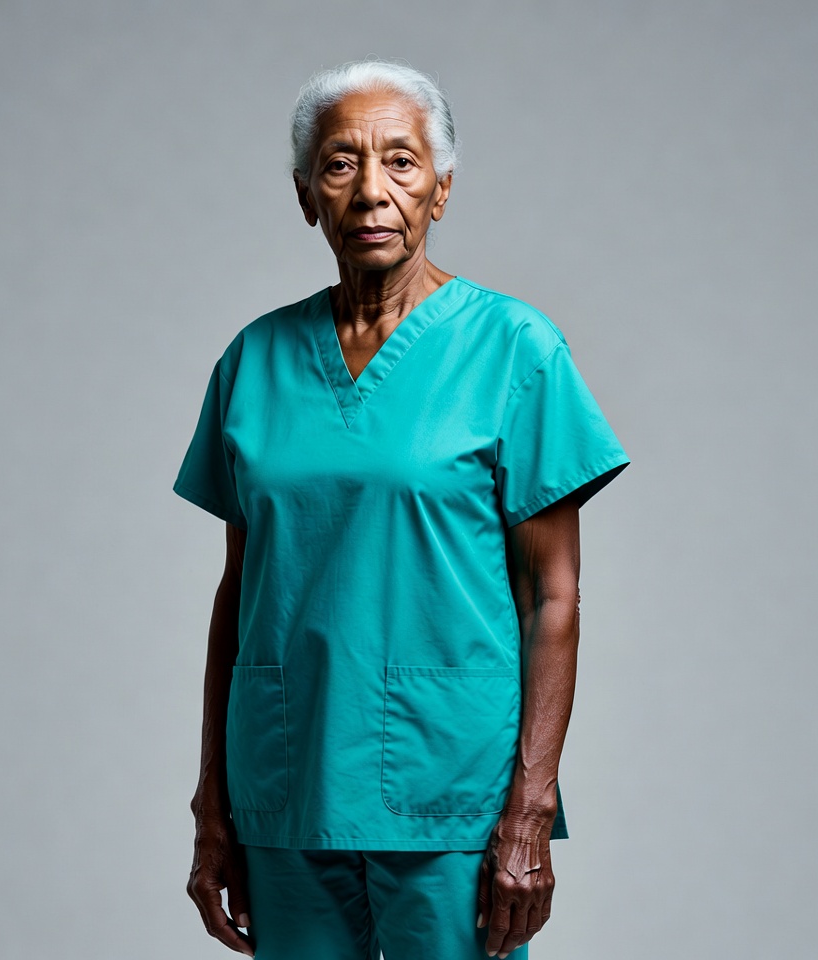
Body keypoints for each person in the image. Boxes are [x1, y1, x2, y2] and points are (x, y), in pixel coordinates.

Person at [174, 58, 629, 960]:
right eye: (341, 164)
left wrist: (530, 813)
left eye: (402, 162)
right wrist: (213, 801)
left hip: (451, 789)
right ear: (307, 195)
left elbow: (554, 599)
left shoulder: (515, 350)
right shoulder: (254, 362)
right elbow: (241, 594)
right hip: (287, 783)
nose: (373, 190)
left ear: (442, 190)